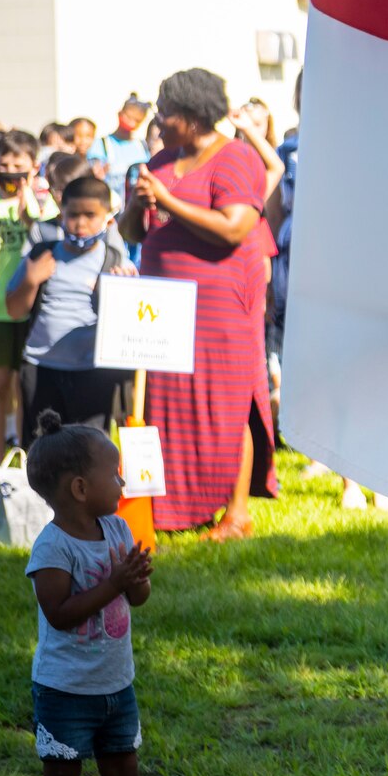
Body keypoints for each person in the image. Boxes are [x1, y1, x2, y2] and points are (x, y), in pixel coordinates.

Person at [119, 69, 277, 538]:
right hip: (162, 304)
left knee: (226, 402)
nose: (159, 119)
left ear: (190, 117)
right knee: (167, 405)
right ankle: (168, 509)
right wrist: (138, 203)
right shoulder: (162, 160)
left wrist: (167, 198)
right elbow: (134, 231)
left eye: (166, 112)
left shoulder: (235, 159)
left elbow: (233, 227)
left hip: (220, 304)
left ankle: (236, 513)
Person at [25, 413, 179, 776]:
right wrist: (114, 581)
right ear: (78, 488)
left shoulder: (115, 530)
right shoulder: (52, 547)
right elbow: (60, 614)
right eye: (114, 473)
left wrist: (135, 581)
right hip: (65, 688)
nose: (122, 480)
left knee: (125, 771)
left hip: (116, 684)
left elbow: (137, 598)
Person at [5, 176, 135, 444]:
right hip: (41, 368)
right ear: (61, 211)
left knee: (88, 449)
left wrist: (120, 292)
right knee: (42, 449)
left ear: (106, 217)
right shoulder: (43, 253)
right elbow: (15, 310)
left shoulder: (114, 260)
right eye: (73, 214)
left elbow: (128, 323)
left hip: (91, 372)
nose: (81, 223)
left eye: (91, 215)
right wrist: (31, 280)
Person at [0, 130, 45, 460]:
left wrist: (29, 203)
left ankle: (26, 456)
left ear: (33, 166)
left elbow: (40, 232)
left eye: (18, 164)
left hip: (30, 311)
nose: (10, 170)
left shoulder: (43, 202)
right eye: (4, 163)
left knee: (25, 390)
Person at [85, 96, 151, 205]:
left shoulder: (142, 146)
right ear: (120, 113)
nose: (131, 122)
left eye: (137, 120)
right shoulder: (102, 144)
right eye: (128, 117)